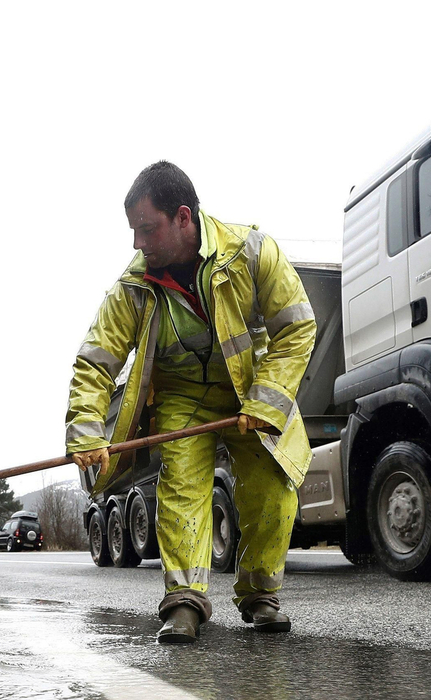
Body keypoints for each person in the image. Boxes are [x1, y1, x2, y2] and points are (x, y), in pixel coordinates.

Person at [66, 162, 315, 644]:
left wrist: (266, 404)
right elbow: (96, 362)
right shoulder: (134, 286)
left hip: (249, 391)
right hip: (182, 400)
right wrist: (86, 433)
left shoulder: (251, 251)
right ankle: (184, 603)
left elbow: (297, 327)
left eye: (146, 229)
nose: (137, 243)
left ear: (183, 218)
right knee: (181, 493)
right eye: (133, 231)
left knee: (272, 490)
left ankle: (260, 596)